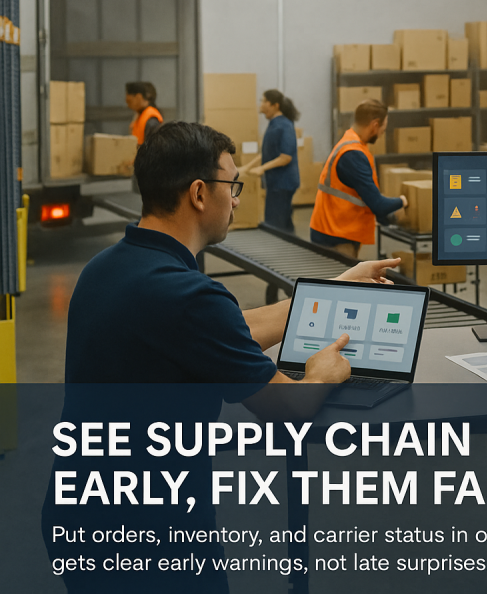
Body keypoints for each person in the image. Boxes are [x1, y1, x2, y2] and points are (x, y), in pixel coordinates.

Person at [45, 120, 401, 593]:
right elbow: (289, 407)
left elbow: (234, 329)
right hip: (150, 536)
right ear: (198, 193)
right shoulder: (187, 295)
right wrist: (320, 373)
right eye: (231, 185)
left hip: (84, 513)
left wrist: (337, 288)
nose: (235, 199)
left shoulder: (111, 266)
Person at [309, 99, 407, 258]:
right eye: (383, 128)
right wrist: (403, 201)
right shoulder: (353, 155)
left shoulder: (350, 143)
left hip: (331, 228)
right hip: (336, 237)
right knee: (344, 282)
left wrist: (387, 219)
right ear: (375, 125)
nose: (383, 133)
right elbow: (378, 205)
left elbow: (362, 196)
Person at [248, 89, 301, 232]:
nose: (261, 104)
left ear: (275, 105)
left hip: (283, 183)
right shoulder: (274, 124)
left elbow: (286, 157)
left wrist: (262, 169)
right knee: (284, 223)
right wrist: (247, 167)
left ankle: (281, 250)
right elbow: (267, 154)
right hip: (276, 183)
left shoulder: (284, 125)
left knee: (275, 225)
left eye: (264, 101)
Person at [126, 81, 163, 145]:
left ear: (138, 97)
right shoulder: (140, 116)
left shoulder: (151, 119)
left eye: (129, 101)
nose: (128, 106)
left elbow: (154, 148)